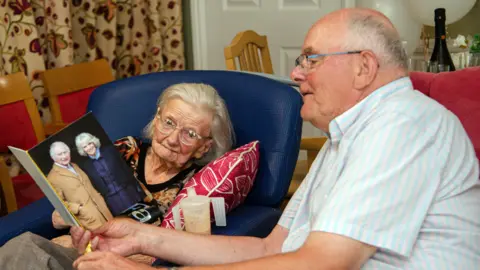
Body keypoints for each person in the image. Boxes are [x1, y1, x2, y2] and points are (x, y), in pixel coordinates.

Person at [2, 8, 480, 269]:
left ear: (364, 67)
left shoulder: (404, 124)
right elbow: (274, 249)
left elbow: (321, 263)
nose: (296, 72)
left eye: (311, 59)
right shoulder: (344, 141)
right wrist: (142, 236)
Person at [0, 82, 235, 268]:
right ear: (156, 119)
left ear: (204, 147)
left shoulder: (202, 186)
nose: (173, 139)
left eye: (190, 134)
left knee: (22, 249)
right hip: (73, 250)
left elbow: (191, 250)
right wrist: (64, 214)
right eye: (169, 122)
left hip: (120, 263)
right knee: (21, 247)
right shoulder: (126, 149)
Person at [47, 141, 113, 231]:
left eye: (65, 152)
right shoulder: (52, 177)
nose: (64, 156)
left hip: (103, 210)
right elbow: (59, 203)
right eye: (60, 154)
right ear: (53, 157)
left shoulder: (74, 165)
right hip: (87, 217)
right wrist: (79, 209)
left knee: (115, 234)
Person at [74, 132, 145, 216]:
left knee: (142, 213)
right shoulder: (86, 166)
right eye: (85, 147)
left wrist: (139, 189)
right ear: (82, 150)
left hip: (127, 190)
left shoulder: (110, 150)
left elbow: (125, 168)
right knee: (125, 221)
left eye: (89, 143)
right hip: (112, 200)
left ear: (94, 142)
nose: (89, 148)